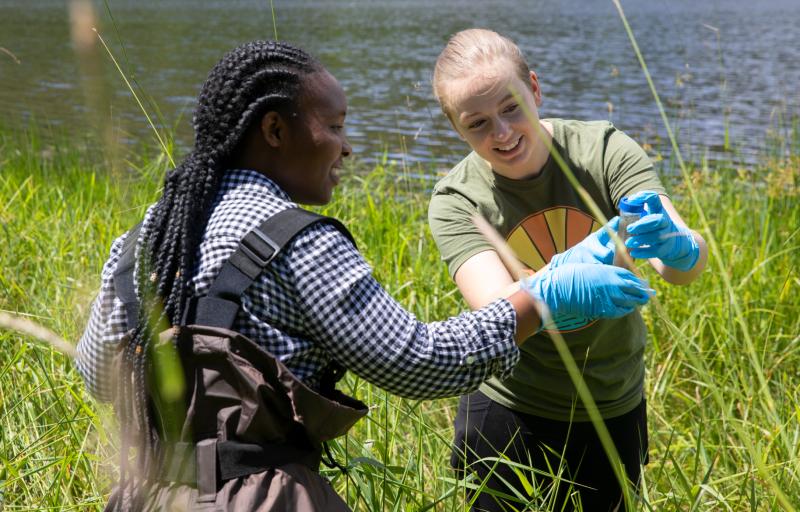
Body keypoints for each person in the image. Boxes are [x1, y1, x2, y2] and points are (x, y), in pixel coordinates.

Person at [76, 40, 654, 511]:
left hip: (144, 494)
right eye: (335, 125)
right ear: (275, 131)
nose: (347, 148)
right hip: (259, 499)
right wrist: (542, 298)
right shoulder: (296, 240)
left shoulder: (147, 236)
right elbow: (419, 362)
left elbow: (98, 374)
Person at [428, 29, 708, 511]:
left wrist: (681, 248)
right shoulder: (457, 201)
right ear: (457, 127)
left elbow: (679, 267)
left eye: (512, 107)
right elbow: (498, 311)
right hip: (509, 407)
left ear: (534, 89)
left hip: (612, 399)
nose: (502, 133)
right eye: (477, 123)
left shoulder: (604, 151)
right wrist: (555, 286)